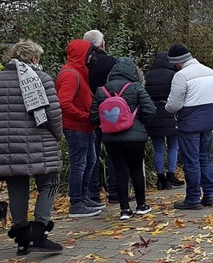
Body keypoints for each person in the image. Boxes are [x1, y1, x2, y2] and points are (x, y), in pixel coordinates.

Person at [0, 40, 64, 255]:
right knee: (49, 182)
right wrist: (57, 135)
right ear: (33, 58)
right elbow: (53, 114)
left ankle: (22, 237)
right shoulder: (41, 79)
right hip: (39, 141)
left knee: (17, 187)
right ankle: (39, 230)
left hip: (6, 145)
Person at [90, 57, 156, 220]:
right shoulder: (135, 87)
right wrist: (139, 123)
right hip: (135, 138)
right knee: (136, 170)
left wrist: (108, 123)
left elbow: (93, 117)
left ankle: (124, 209)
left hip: (111, 139)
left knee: (120, 172)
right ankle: (141, 205)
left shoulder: (101, 90)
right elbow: (150, 109)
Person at [165, 44, 213, 208]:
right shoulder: (210, 72)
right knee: (205, 159)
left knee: (191, 162)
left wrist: (166, 107)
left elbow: (173, 105)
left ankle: (193, 198)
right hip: (207, 123)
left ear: (178, 63)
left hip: (189, 124)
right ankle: (210, 194)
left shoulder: (181, 76)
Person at [56, 39, 103, 218]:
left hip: (86, 127)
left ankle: (84, 198)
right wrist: (85, 116)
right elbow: (64, 103)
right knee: (80, 164)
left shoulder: (78, 73)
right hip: (77, 128)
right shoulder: (70, 74)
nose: (93, 58)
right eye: (90, 54)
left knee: (90, 162)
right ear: (83, 55)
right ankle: (76, 202)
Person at [83, 29, 118, 204]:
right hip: (112, 113)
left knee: (92, 154)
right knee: (113, 152)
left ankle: (92, 192)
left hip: (89, 113)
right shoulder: (111, 63)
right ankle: (116, 191)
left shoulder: (82, 64)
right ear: (102, 43)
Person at [144, 51, 184, 190]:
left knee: (158, 148)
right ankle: (171, 175)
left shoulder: (148, 75)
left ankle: (160, 178)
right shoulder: (173, 76)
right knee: (173, 145)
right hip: (170, 113)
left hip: (153, 116)